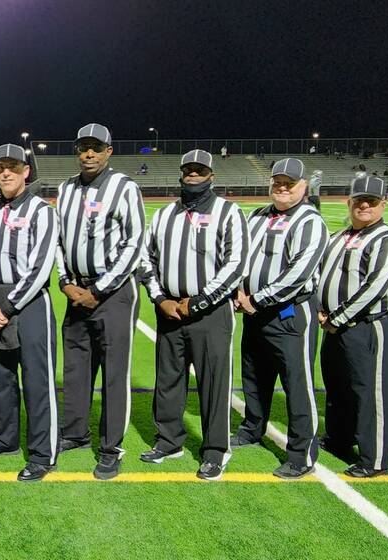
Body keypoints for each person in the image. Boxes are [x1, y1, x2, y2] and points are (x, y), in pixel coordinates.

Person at [138, 149, 246, 481]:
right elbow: (146, 259)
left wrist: (197, 302)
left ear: (211, 175)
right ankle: (169, 441)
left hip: (210, 314)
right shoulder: (163, 214)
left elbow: (236, 264)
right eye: (188, 170)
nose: (193, 175)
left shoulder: (228, 212)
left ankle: (215, 450)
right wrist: (160, 299)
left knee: (214, 383)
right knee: (168, 380)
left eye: (200, 170)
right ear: (181, 174)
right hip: (170, 311)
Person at [54, 123, 146, 480]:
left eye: (96, 147)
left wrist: (100, 289)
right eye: (83, 147)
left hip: (113, 294)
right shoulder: (66, 188)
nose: (89, 153)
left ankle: (111, 448)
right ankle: (75, 433)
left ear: (109, 151)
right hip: (76, 291)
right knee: (76, 368)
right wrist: (64, 282)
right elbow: (59, 241)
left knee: (114, 373)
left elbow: (135, 241)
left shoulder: (124, 187)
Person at [0, 144, 60, 482]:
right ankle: (3, 439)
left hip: (31, 303)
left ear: (26, 171)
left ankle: (43, 454)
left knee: (38, 381)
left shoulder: (42, 210)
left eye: (12, 166)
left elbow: (40, 267)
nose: (5, 173)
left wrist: (5, 307)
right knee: (1, 377)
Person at [232, 158, 328, 479]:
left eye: (290, 183)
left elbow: (299, 273)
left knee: (296, 383)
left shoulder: (310, 221)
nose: (283, 187)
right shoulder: (258, 215)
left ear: (304, 186)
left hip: (289, 313)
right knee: (254, 376)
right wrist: (237, 291)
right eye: (278, 182)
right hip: (253, 311)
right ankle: (252, 427)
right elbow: (240, 255)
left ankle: (301, 453)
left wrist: (257, 299)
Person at [317, 176, 388, 478]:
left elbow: (376, 287)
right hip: (334, 326)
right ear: (349, 202)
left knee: (372, 392)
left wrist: (336, 317)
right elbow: (320, 276)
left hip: (368, 326)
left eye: (371, 201)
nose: (364, 205)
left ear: (383, 204)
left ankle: (375, 459)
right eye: (359, 200)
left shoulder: (387, 239)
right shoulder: (339, 235)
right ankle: (339, 439)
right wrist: (320, 309)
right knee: (338, 386)